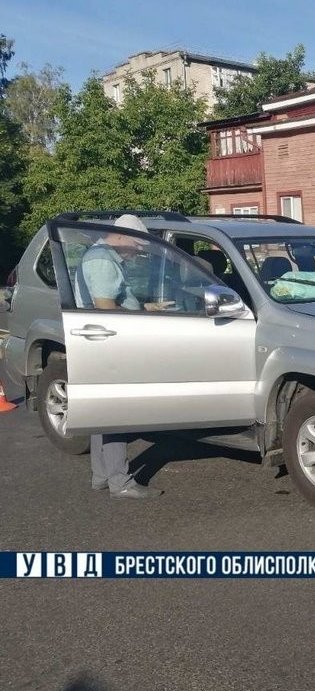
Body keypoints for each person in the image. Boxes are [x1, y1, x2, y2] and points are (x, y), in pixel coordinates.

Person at [75, 214, 164, 499]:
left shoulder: (100, 256)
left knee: (101, 413)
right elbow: (105, 307)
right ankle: (120, 482)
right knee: (115, 413)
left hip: (99, 341)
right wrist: (138, 316)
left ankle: (101, 476)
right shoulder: (102, 259)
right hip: (109, 342)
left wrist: (144, 308)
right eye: (136, 244)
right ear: (122, 237)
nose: (138, 250)